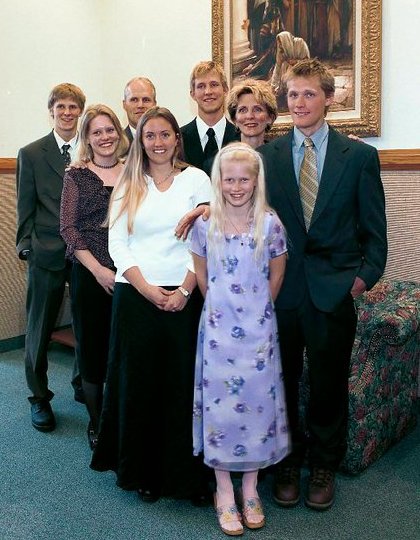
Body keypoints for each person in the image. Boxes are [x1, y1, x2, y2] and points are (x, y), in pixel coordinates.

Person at [258, 58, 387, 511]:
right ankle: (287, 462)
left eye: (309, 94)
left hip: (334, 291)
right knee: (282, 381)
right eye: (292, 94)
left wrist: (362, 279)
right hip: (282, 291)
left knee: (329, 385)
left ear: (328, 98)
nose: (299, 102)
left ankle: (324, 465)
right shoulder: (267, 156)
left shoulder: (360, 157)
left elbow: (374, 231)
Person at [90, 106, 213, 504]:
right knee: (139, 386)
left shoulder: (197, 180)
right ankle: (142, 472)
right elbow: (118, 244)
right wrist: (146, 289)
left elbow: (206, 240)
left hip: (185, 294)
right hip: (136, 296)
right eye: (150, 135)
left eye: (165, 134)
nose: (158, 142)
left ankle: (186, 476)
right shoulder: (129, 182)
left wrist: (185, 290)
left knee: (182, 387)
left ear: (177, 138)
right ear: (140, 141)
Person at [191, 142, 289, 535]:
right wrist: (222, 310)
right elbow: (201, 276)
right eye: (228, 179)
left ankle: (249, 487)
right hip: (218, 334)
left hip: (258, 332)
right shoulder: (204, 224)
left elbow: (276, 275)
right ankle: (223, 490)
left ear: (255, 181)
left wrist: (257, 312)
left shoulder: (270, 224)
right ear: (218, 181)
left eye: (243, 180)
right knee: (223, 409)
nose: (236, 187)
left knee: (255, 406)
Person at [16, 83, 86, 432]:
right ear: (52, 111)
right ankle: (39, 397)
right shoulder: (31, 153)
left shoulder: (93, 147)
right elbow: (25, 205)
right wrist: (25, 246)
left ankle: (82, 384)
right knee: (39, 329)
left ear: (80, 111)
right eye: (61, 107)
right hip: (46, 251)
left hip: (86, 253)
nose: (67, 112)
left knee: (86, 325)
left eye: (73, 107)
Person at [60, 105, 129, 449]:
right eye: (97, 132)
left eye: (110, 129)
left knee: (124, 349)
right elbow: (68, 229)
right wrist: (99, 270)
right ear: (87, 138)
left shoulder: (134, 171)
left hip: (130, 274)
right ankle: (97, 423)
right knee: (92, 349)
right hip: (90, 273)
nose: (105, 137)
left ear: (119, 132)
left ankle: (121, 419)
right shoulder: (76, 176)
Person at [181, 61, 238, 175]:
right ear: (193, 94)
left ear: (225, 89)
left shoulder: (240, 137)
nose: (208, 92)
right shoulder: (178, 139)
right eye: (201, 86)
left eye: (214, 84)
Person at [227, 79, 277, 149]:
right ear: (234, 119)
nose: (249, 116)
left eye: (257, 110)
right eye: (243, 110)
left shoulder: (281, 155)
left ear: (270, 117)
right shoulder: (223, 155)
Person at [122, 77, 157, 145]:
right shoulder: (117, 144)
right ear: (124, 105)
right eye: (134, 100)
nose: (140, 105)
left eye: (146, 100)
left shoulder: (167, 142)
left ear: (154, 105)